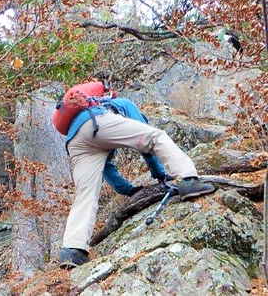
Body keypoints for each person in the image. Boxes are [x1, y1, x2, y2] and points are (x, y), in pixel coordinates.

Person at [52, 83, 215, 268]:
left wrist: (129, 190)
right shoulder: (123, 104)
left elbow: (107, 169)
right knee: (156, 136)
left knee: (85, 195)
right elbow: (146, 143)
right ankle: (188, 180)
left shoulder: (79, 120)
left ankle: (72, 251)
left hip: (75, 141)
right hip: (96, 123)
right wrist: (160, 174)